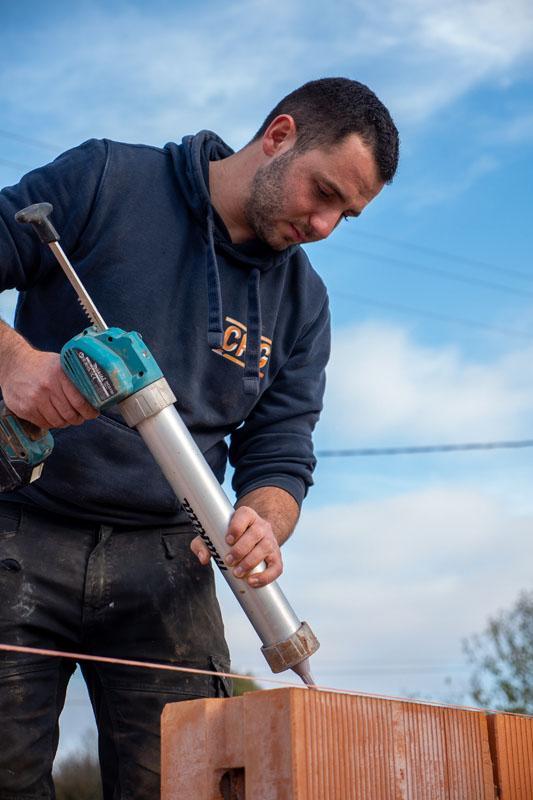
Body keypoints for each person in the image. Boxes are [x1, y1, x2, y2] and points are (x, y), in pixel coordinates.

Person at [0, 77, 399, 797]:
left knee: (187, 783)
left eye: (347, 214)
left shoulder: (303, 302)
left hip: (168, 560)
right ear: (279, 136)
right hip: (21, 528)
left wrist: (266, 521)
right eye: (323, 192)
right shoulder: (108, 180)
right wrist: (15, 363)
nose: (324, 226)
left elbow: (281, 451)